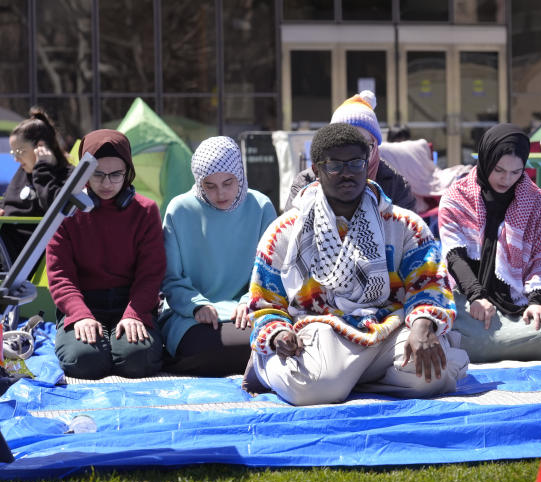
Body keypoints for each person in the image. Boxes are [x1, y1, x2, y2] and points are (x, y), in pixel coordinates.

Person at [245, 123, 468, 406]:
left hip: (389, 327)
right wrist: (277, 331)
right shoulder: (286, 230)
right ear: (316, 170)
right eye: (335, 165)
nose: (348, 172)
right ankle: (268, 367)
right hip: (321, 330)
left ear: (368, 164)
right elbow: (265, 302)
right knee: (310, 390)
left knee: (434, 375)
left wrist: (423, 324)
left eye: (355, 163)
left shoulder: (405, 225)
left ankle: (347, 378)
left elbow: (431, 286)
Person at [438, 124, 541, 363]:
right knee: (451, 329)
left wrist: (537, 303)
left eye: (516, 172)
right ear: (486, 160)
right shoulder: (456, 198)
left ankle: (480, 344)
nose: (506, 179)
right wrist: (476, 296)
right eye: (499, 170)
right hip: (467, 296)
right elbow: (454, 256)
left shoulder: (536, 201)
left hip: (520, 301)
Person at [46, 129, 165, 379]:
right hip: (83, 302)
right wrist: (79, 315)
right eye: (97, 174)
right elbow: (60, 275)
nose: (107, 183)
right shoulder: (66, 211)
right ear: (84, 172)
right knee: (84, 361)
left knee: (138, 360)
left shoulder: (146, 211)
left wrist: (135, 313)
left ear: (128, 172)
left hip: (132, 302)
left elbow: (151, 273)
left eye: (116, 174)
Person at [159, 136, 277, 376]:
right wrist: (197, 305)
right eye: (209, 186)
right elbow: (170, 278)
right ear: (198, 182)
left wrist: (249, 301)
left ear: (240, 175)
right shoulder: (179, 209)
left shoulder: (261, 206)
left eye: (228, 182)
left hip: (248, 312)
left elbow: (271, 272)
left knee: (263, 343)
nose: (220, 193)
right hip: (190, 316)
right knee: (205, 348)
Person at [283, 91, 417, 213]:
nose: (352, 155)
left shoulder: (395, 185)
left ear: (375, 146)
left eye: (363, 146)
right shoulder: (306, 182)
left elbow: (409, 234)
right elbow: (288, 233)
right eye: (343, 144)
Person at [0, 107, 72, 262]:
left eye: (19, 152)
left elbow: (56, 208)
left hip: (25, 252)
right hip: (5, 243)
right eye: (14, 153)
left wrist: (42, 169)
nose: (16, 159)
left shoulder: (64, 174)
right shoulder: (24, 171)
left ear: (40, 147)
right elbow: (9, 203)